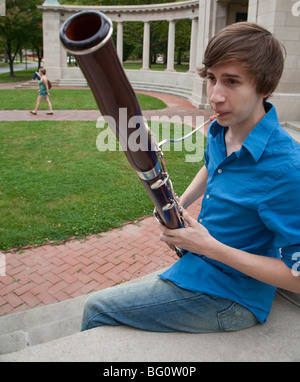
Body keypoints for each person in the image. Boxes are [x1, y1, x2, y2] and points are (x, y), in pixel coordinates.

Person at [81, 22, 300, 333]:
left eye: (232, 81)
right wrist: (178, 204)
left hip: (231, 297)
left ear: (263, 87)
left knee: (95, 309)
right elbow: (215, 165)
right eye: (212, 79)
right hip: (202, 265)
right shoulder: (223, 128)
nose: (215, 96)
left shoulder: (288, 169)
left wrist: (209, 247)